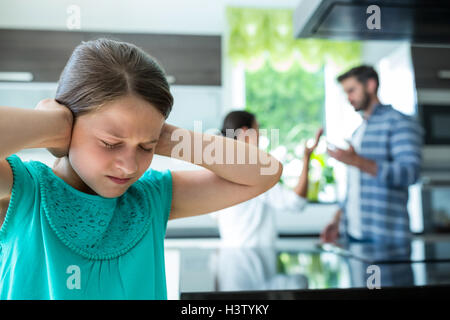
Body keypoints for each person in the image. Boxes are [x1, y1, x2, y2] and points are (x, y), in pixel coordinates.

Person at [0, 38, 283, 299]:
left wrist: (166, 137)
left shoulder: (149, 198)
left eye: (146, 147)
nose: (129, 166)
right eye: (110, 143)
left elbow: (265, 172)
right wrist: (52, 123)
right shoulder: (23, 191)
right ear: (69, 126)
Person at [321, 65, 423, 244]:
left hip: (387, 237)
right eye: (346, 92)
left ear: (370, 85)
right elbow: (356, 185)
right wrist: (337, 219)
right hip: (353, 235)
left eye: (352, 90)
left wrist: (357, 161)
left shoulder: (398, 123)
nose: (348, 98)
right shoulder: (359, 131)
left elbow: (410, 173)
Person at [213, 110, 323, 247]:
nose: (260, 135)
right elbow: (296, 203)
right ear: (246, 133)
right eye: (258, 129)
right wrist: (307, 158)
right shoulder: (252, 170)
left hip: (230, 256)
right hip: (253, 258)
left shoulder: (219, 168)